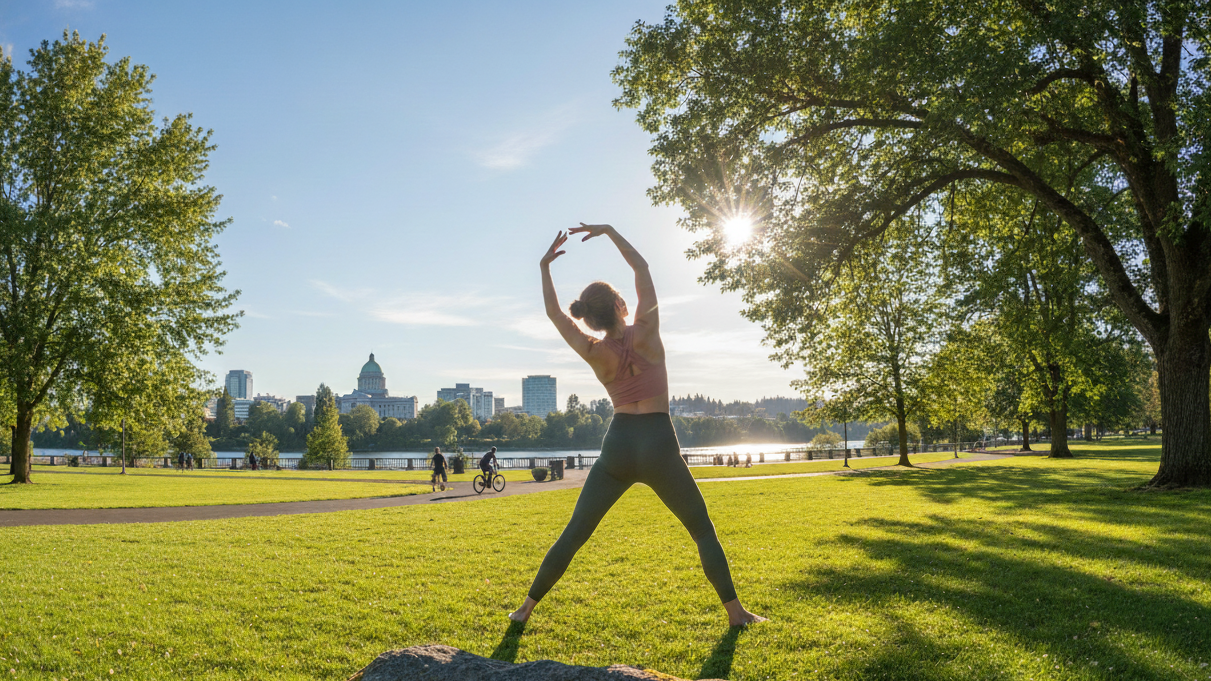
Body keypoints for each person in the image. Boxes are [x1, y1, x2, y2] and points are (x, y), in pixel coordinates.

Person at [509, 224, 766, 627]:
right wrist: (610, 231)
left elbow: (554, 314)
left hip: (619, 444)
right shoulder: (647, 330)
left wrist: (545, 267)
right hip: (659, 443)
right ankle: (737, 614)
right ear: (619, 304)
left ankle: (524, 609)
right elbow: (642, 266)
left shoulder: (592, 349)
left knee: (575, 532)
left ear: (591, 319)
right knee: (702, 531)